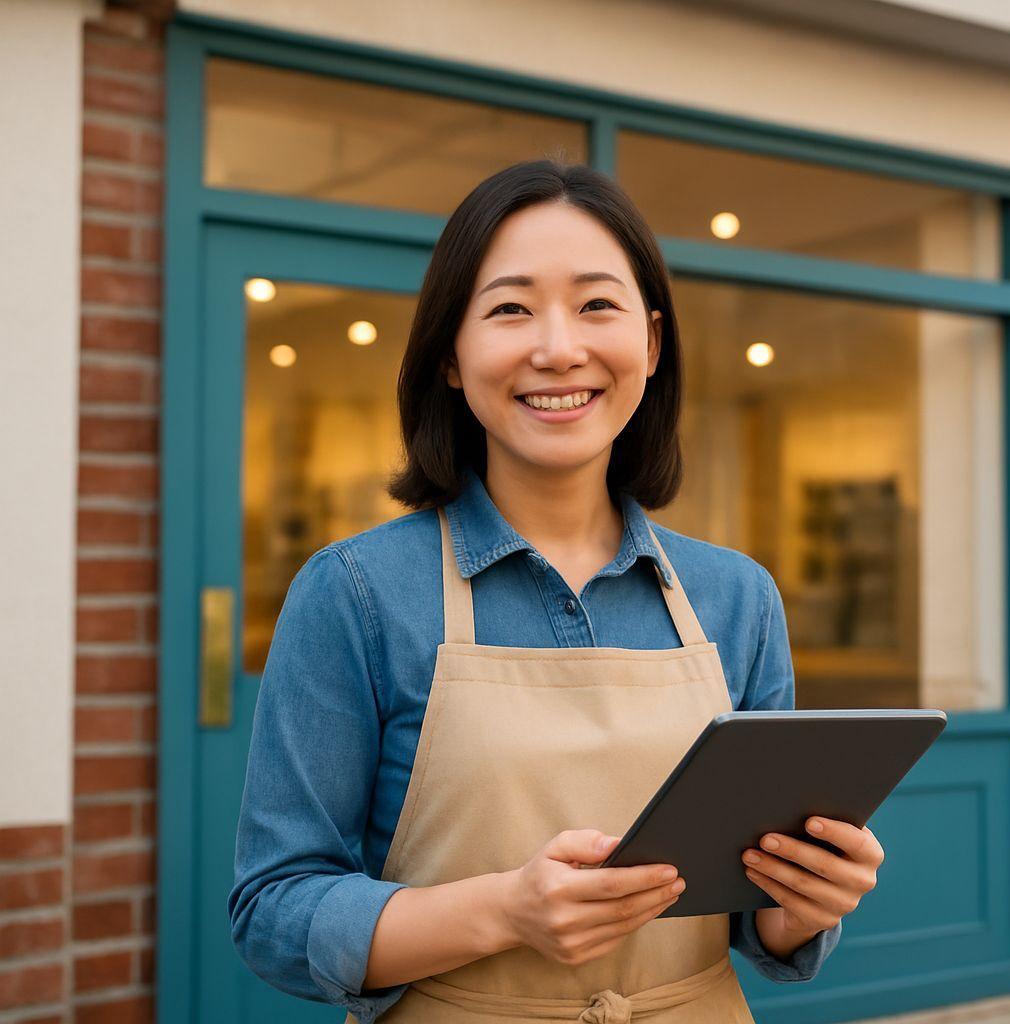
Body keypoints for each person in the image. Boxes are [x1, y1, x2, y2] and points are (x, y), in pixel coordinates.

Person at [227, 159, 883, 1023]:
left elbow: (757, 921)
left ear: (651, 342)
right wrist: (501, 911)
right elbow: (273, 910)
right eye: (509, 308)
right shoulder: (354, 593)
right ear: (452, 359)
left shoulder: (739, 598)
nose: (558, 347)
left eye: (596, 304)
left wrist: (803, 903)